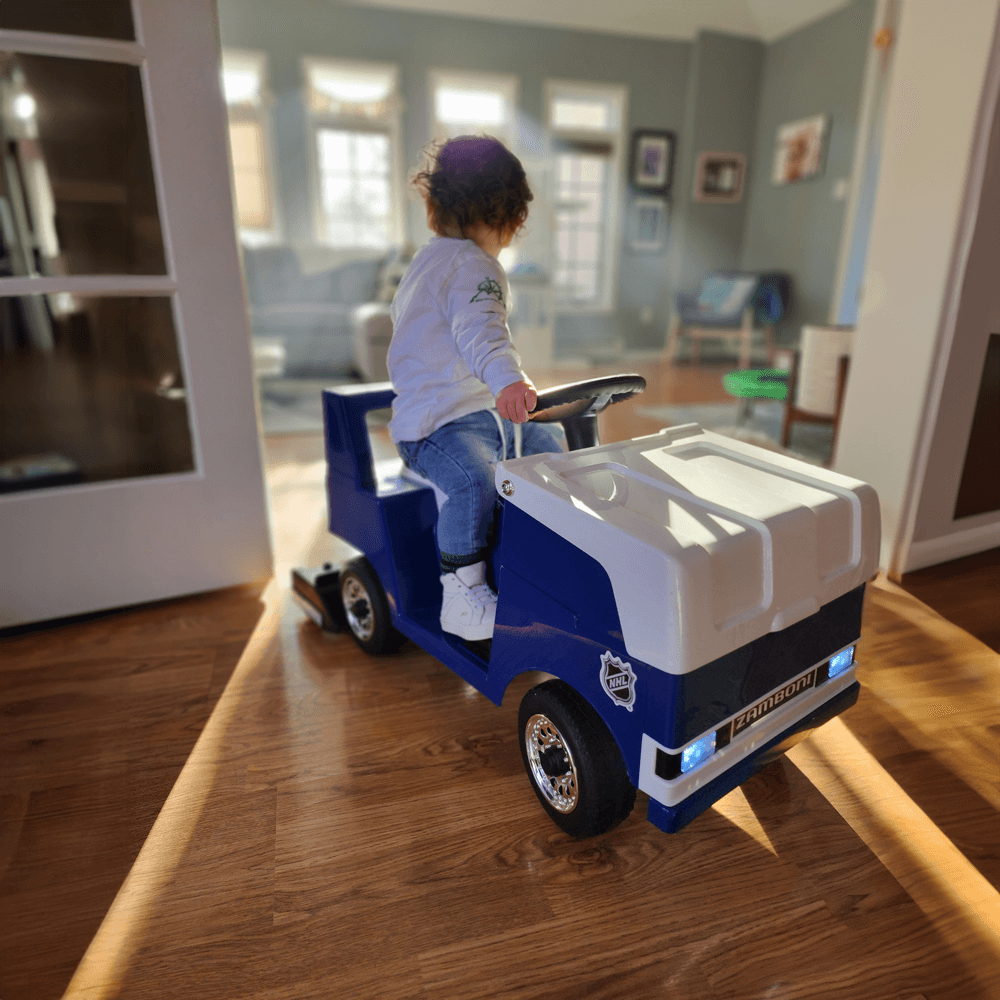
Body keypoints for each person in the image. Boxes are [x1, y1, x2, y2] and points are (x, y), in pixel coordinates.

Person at [388, 135, 562, 642]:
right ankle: (462, 594)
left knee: (552, 451)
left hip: (479, 414)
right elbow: (482, 332)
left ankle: (535, 558)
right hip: (434, 425)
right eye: (512, 227)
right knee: (475, 481)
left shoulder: (430, 260)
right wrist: (509, 378)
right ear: (502, 214)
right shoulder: (471, 265)